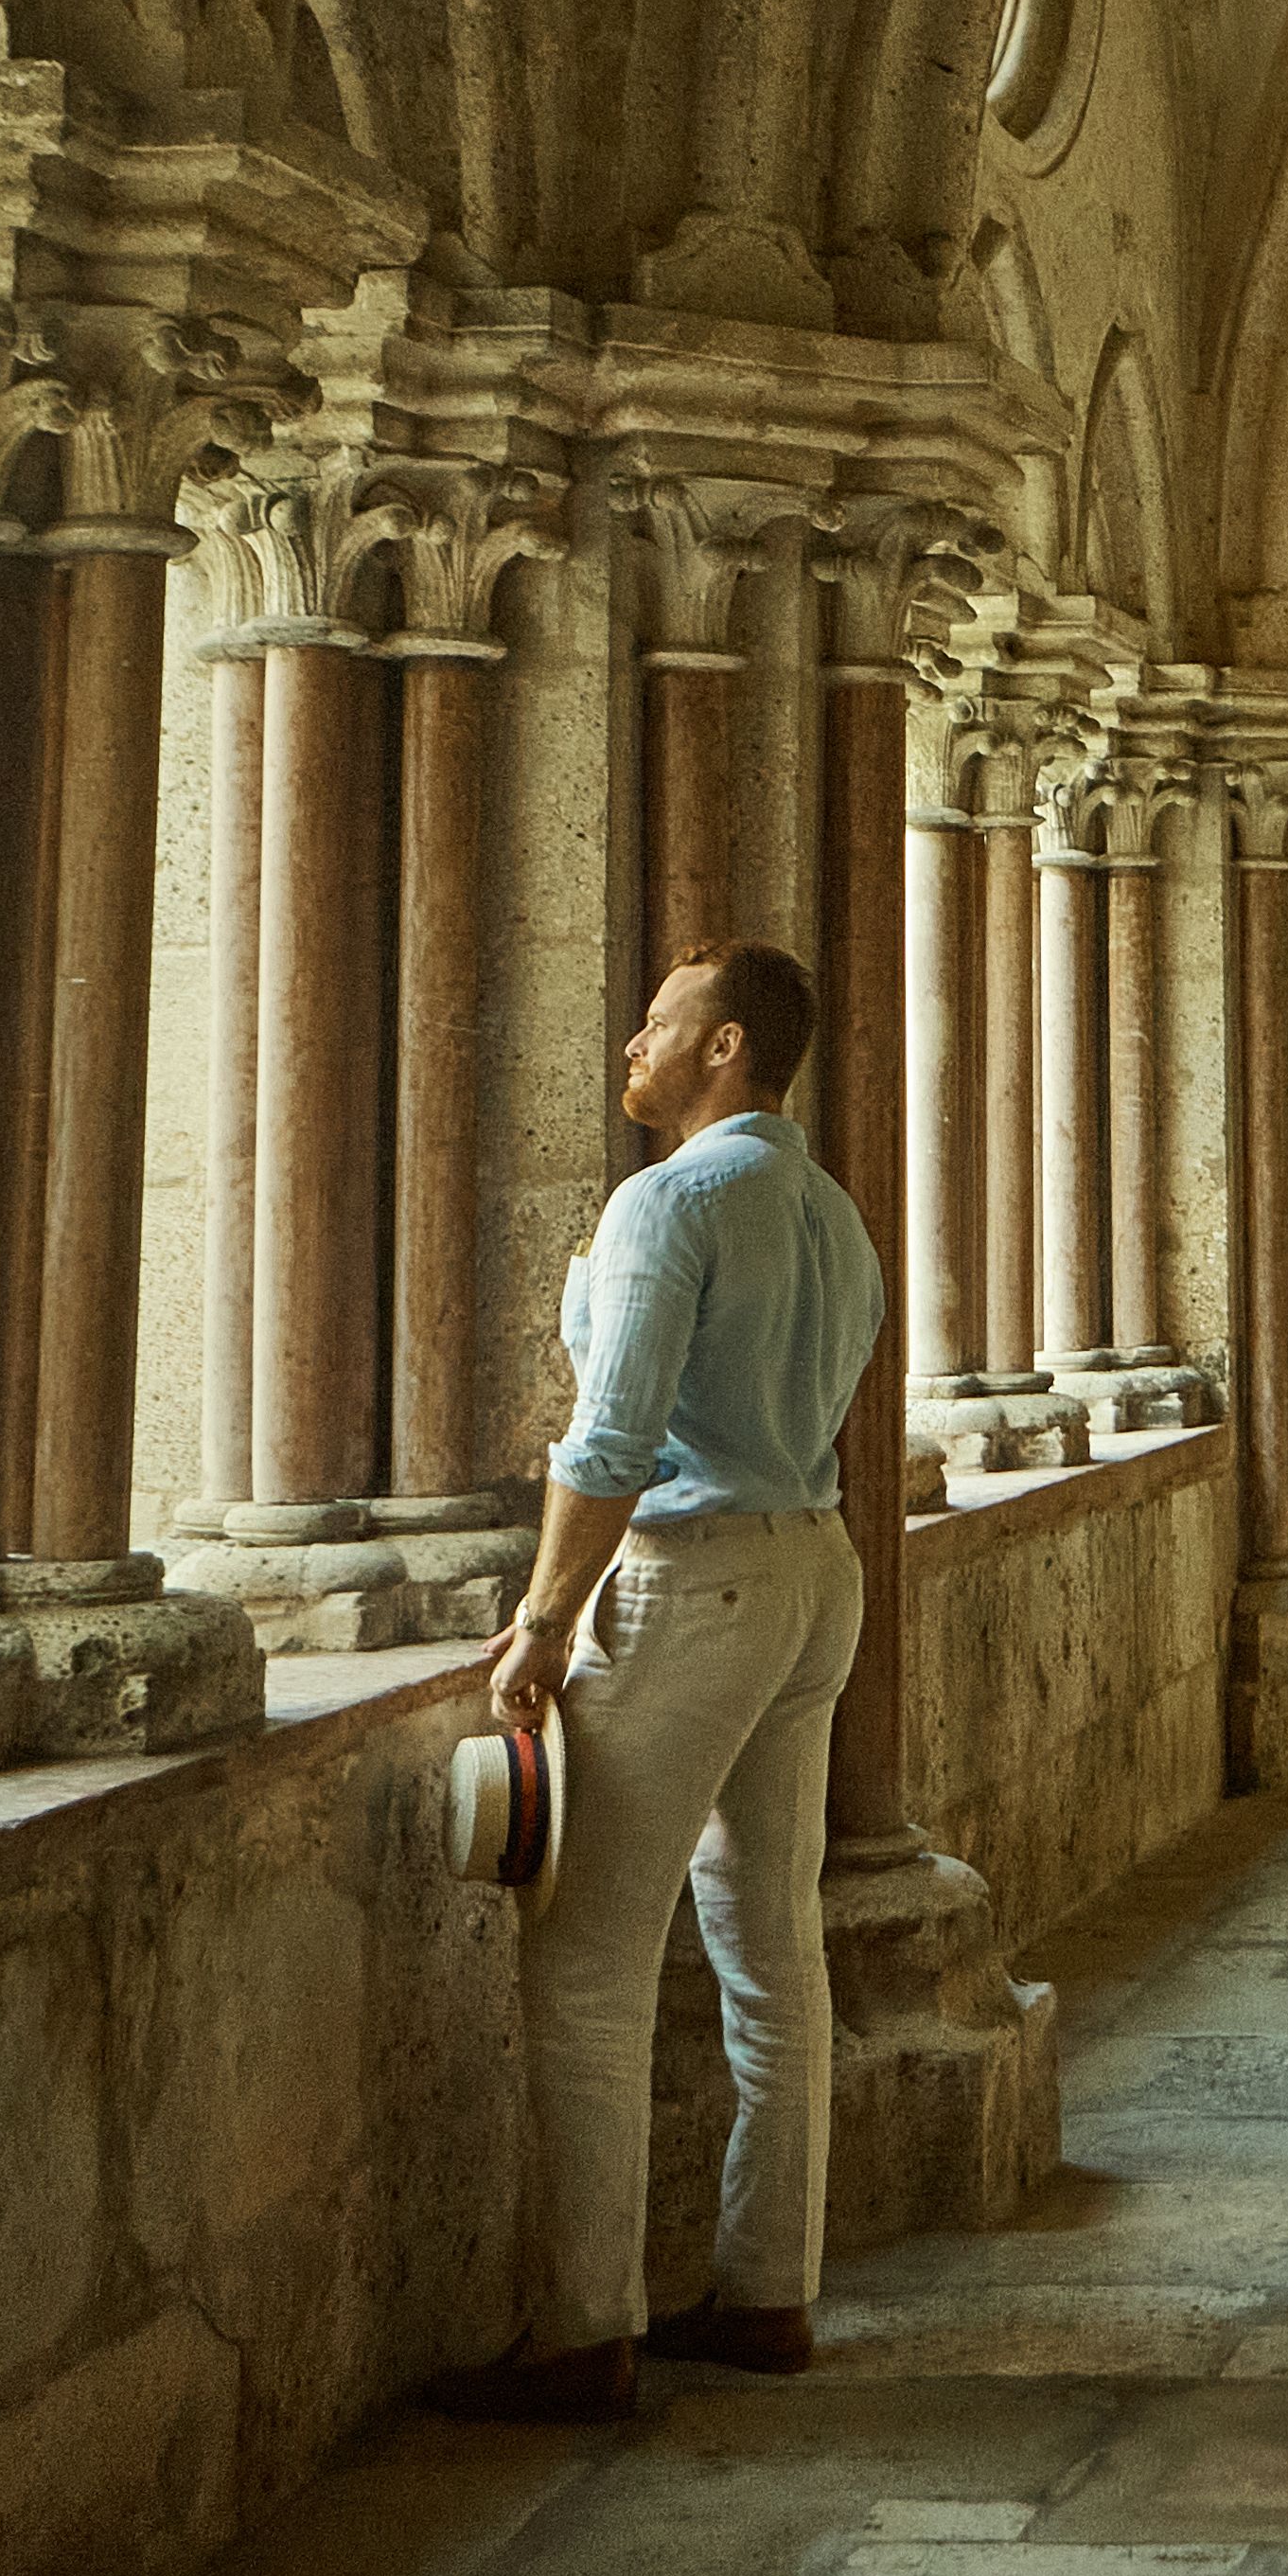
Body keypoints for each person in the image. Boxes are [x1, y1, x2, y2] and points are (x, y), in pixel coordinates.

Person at [428, 940, 887, 2422]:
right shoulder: (833, 1215)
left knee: (587, 1957)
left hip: (697, 1587)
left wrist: (546, 1617)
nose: (632, 1039)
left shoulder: (670, 1202)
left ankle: (582, 2329)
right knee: (772, 1948)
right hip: (815, 1571)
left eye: (660, 1023)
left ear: (728, 1046)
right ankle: (768, 2290)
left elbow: (613, 1436)